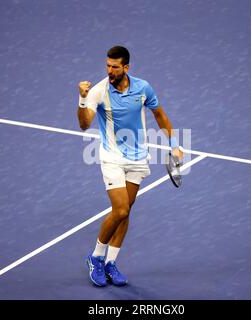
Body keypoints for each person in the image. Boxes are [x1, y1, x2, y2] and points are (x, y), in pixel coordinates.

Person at [77, 46, 183, 286]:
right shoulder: (98, 91)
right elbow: (84, 124)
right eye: (107, 65)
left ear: (126, 68)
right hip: (112, 157)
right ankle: (95, 258)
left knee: (126, 212)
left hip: (138, 158)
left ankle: (111, 262)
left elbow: (160, 115)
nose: (110, 70)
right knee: (121, 209)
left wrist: (175, 143)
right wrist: (83, 99)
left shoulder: (143, 88)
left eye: (115, 66)